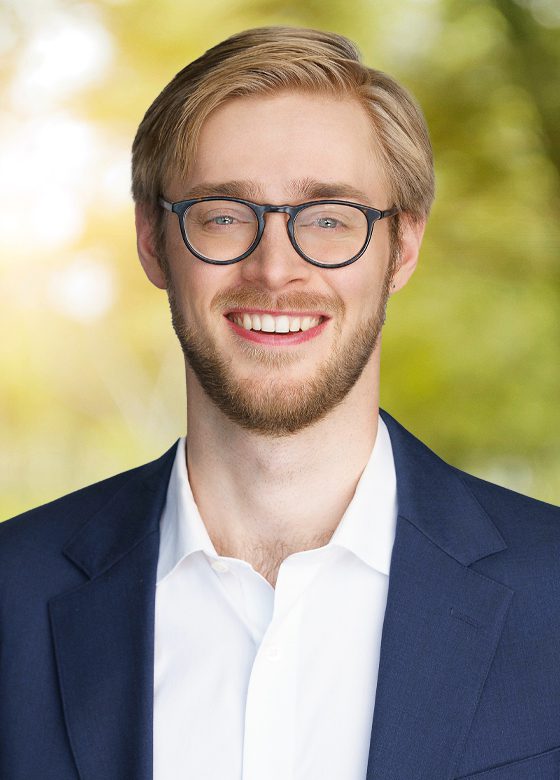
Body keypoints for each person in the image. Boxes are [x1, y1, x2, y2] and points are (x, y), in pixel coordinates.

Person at [1, 25, 559, 780]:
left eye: (330, 219)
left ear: (403, 248)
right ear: (151, 241)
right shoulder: (13, 596)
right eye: (225, 215)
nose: (275, 269)